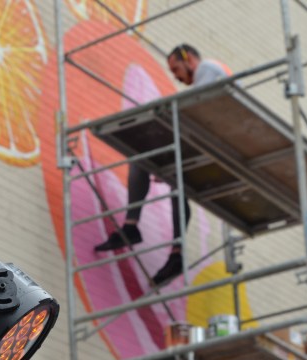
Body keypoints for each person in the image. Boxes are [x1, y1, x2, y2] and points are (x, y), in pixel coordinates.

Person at [94, 44, 232, 286]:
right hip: (206, 139)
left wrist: (169, 151)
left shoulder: (209, 69)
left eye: (176, 68)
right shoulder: (209, 75)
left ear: (188, 59)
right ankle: (135, 228)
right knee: (149, 166)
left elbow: (195, 112)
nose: (176, 76)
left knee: (166, 175)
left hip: (216, 140)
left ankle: (156, 241)